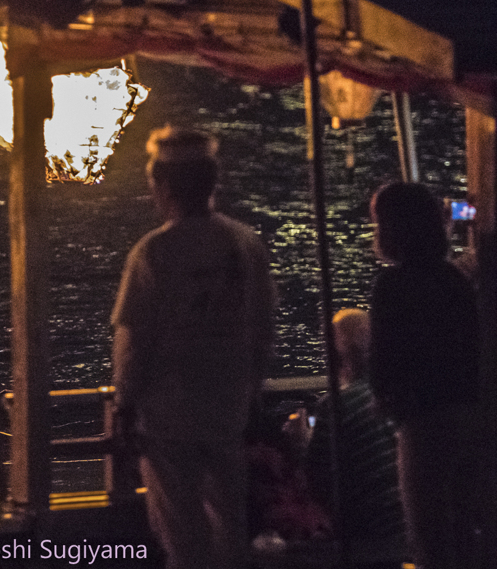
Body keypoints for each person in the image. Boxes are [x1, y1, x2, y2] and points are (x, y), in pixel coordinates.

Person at [111, 126, 277, 569]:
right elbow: (263, 330)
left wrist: (124, 404)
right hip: (228, 410)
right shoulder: (246, 245)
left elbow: (133, 340)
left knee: (182, 537)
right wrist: (251, 389)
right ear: (212, 181)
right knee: (230, 529)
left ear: (164, 186)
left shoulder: (154, 252)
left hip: (169, 417)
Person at [367, 181, 483, 569]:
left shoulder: (392, 285)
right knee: (462, 526)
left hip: (422, 418)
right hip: (467, 414)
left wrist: (383, 398)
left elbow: (383, 356)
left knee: (427, 532)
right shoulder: (454, 281)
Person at [286, 308, 405, 566]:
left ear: (336, 358)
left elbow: (315, 482)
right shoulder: (398, 395)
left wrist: (300, 443)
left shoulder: (336, 406)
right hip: (409, 523)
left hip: (369, 534)